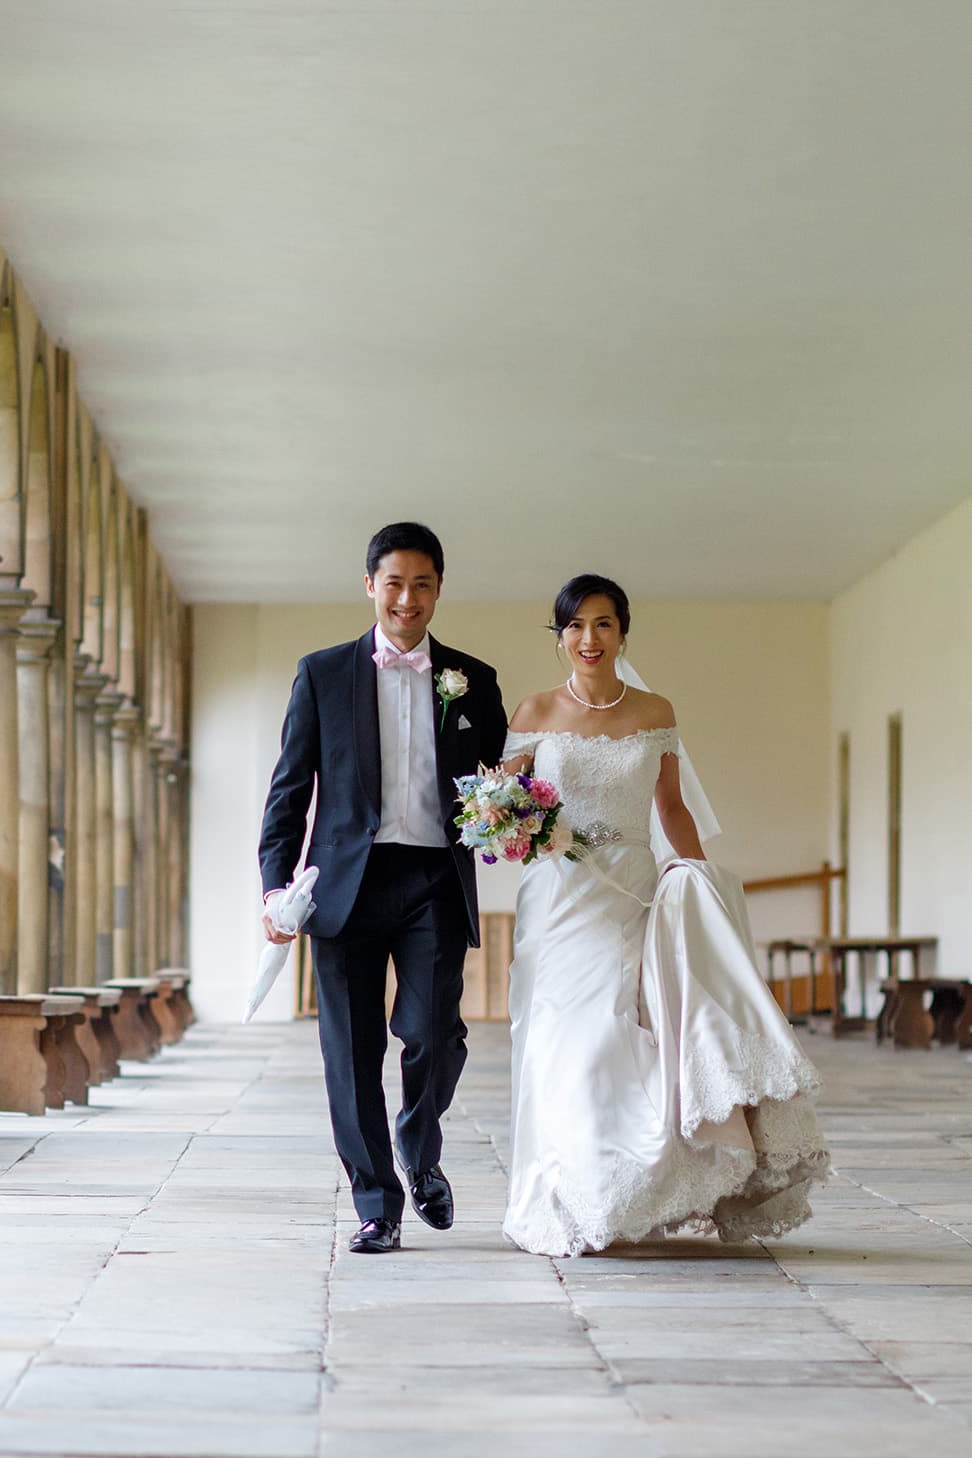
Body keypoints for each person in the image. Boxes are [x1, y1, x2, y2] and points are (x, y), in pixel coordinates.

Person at [496, 574, 826, 1255]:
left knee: (622, 1039)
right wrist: (513, 831)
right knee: (565, 1041)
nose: (589, 639)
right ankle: (566, 1187)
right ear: (559, 637)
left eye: (604, 624)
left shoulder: (654, 712)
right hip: (559, 897)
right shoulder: (533, 711)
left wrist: (699, 878)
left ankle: (620, 1188)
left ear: (622, 633)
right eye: (576, 626)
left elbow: (671, 806)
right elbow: (505, 811)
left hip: (633, 892)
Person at [260, 522, 507, 1254]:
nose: (407, 598)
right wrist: (274, 889)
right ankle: (377, 1205)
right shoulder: (322, 674)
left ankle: (418, 1145)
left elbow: (499, 786)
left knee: (435, 1034)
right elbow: (288, 793)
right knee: (351, 1052)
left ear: (438, 589)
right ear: (370, 585)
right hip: (345, 889)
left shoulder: (474, 680)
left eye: (422, 584)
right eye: (393, 583)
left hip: (433, 877)